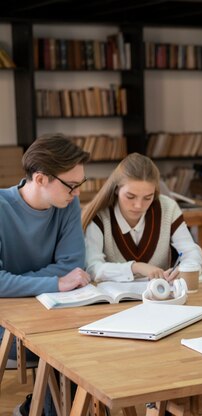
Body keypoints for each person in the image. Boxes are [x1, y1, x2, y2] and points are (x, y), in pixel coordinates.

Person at [0, 134, 92, 416]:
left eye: (80, 185)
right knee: (64, 347)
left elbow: (73, 267)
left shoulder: (66, 205)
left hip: (55, 314)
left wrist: (16, 281)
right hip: (7, 325)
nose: (77, 193)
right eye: (71, 185)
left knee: (88, 339)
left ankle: (35, 410)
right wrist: (53, 282)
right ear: (40, 179)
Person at [82, 153, 202, 282]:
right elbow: (93, 267)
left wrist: (186, 269)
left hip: (162, 297)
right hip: (116, 300)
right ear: (117, 189)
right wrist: (135, 267)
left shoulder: (168, 208)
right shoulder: (100, 216)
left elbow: (191, 251)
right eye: (130, 196)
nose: (139, 205)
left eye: (147, 198)